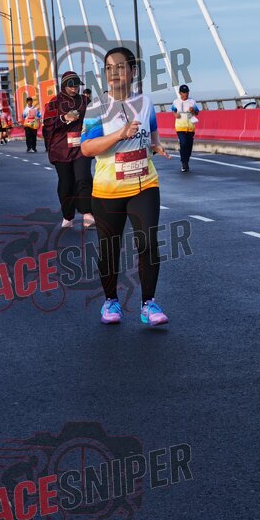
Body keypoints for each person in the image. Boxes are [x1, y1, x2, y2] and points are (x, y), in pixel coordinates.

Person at [80, 47, 171, 327]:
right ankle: (111, 301)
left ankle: (148, 304)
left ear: (133, 71)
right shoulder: (96, 107)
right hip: (108, 189)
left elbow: (152, 132)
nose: (114, 73)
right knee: (109, 248)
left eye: (120, 67)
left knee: (147, 242)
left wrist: (156, 146)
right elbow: (87, 148)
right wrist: (119, 134)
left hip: (145, 183)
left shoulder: (145, 102)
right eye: (109, 68)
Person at [43, 71, 94, 229]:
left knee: (83, 177)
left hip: (81, 147)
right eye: (71, 86)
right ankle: (68, 215)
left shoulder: (85, 101)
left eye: (77, 86)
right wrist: (64, 118)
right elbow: (47, 123)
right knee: (66, 183)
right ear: (64, 86)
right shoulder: (54, 102)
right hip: (61, 149)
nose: (74, 89)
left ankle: (87, 213)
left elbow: (96, 119)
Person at [171, 85, 199, 172]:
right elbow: (173, 110)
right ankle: (184, 163)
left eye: (187, 92)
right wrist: (176, 115)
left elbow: (197, 113)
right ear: (180, 93)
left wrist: (193, 110)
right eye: (184, 92)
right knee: (183, 143)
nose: (185, 94)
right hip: (180, 127)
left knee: (189, 145)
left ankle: (186, 161)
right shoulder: (176, 102)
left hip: (190, 127)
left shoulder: (192, 101)